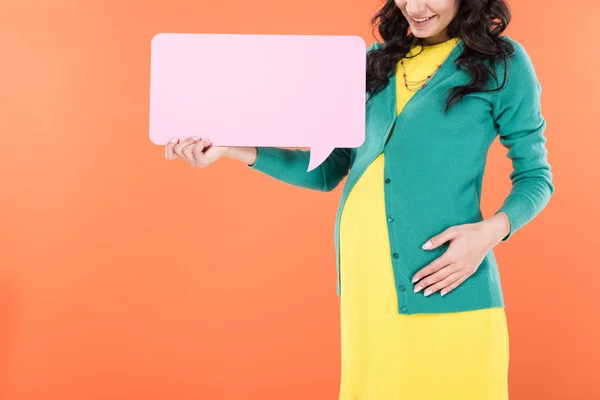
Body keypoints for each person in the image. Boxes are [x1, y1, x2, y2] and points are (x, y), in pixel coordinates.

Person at [164, 0, 555, 398]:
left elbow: (536, 177)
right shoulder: (372, 63)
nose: (414, 7)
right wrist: (230, 147)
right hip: (367, 287)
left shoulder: (501, 63)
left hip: (445, 281)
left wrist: (489, 233)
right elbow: (325, 170)